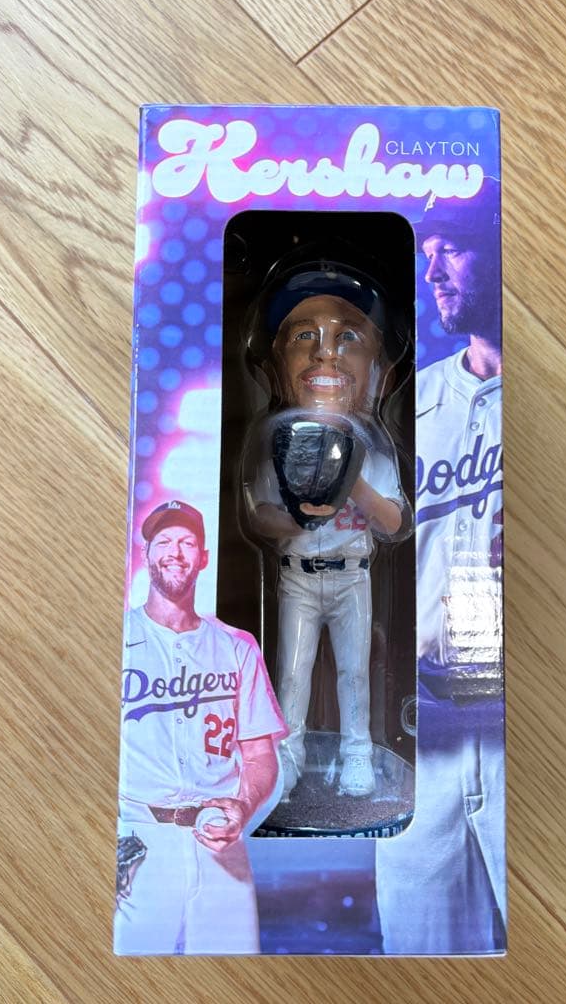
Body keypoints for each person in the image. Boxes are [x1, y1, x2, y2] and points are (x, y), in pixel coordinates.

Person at [376, 198, 507, 953]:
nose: (433, 273)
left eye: (450, 248)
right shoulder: (410, 408)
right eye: (427, 255)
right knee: (423, 964)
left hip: (526, 725)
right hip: (424, 731)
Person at [245, 262, 409, 799]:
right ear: (276, 364)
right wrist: (299, 516)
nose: (326, 353)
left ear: (379, 370)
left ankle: (357, 752)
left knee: (354, 671)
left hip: (351, 575)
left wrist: (351, 482)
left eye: (348, 338)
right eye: (304, 337)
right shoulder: (279, 438)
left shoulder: (372, 444)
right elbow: (258, 515)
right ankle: (288, 755)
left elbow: (395, 522)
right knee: (293, 671)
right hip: (297, 575)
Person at [115, 500, 288, 955]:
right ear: (146, 554)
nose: (175, 552)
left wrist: (243, 806)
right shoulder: (115, 640)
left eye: (187, 542)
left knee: (235, 976)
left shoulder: (237, 646)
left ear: (204, 557)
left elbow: (260, 756)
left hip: (221, 844)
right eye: (164, 542)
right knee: (130, 977)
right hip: (139, 838)